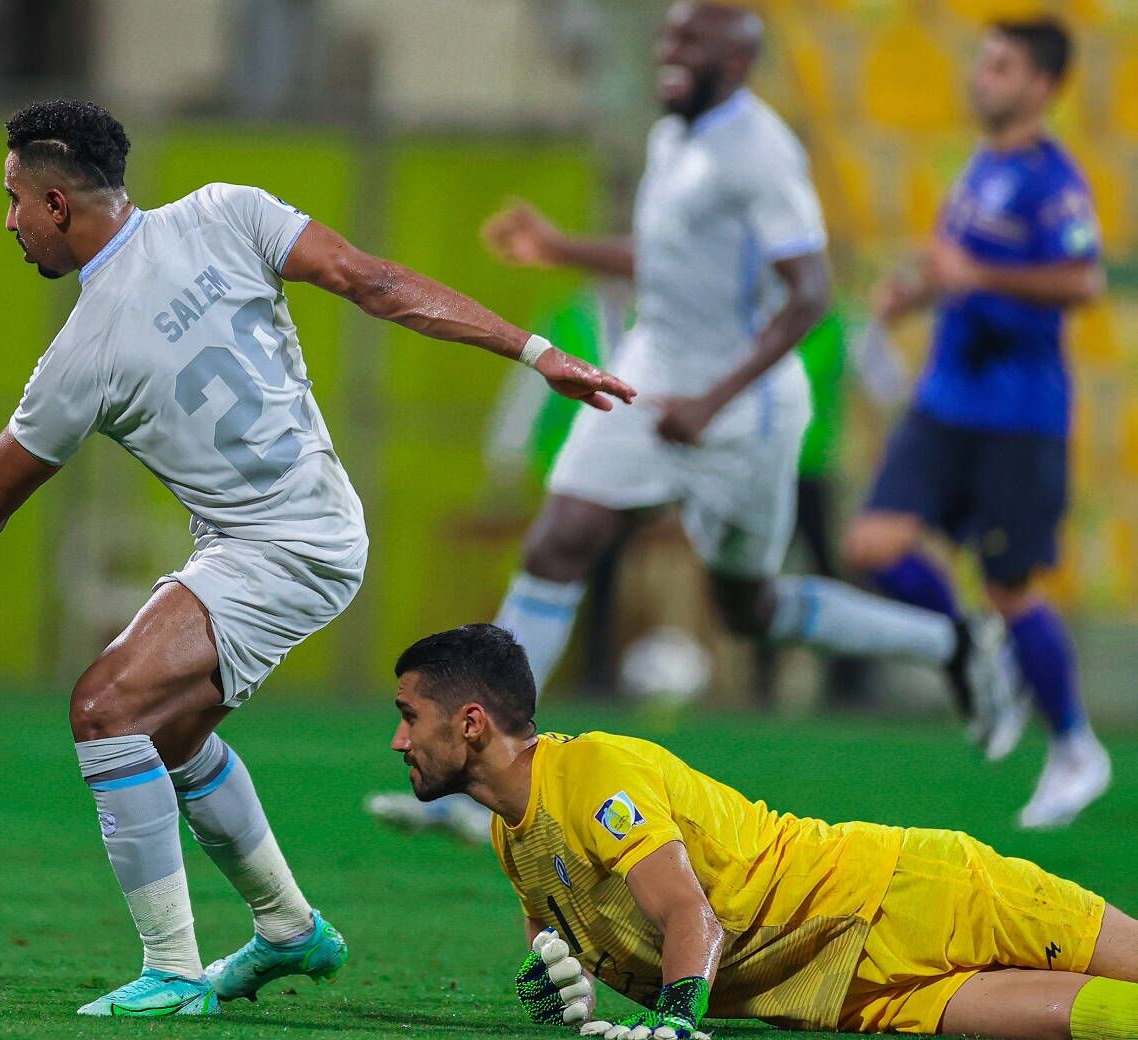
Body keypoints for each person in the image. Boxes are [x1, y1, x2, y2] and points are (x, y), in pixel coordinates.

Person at [0, 99, 634, 1018]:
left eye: (14, 200)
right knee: (168, 735)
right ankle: (290, 929)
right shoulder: (228, 210)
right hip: (304, 529)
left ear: (57, 205)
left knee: (105, 709)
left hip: (283, 545)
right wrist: (535, 352)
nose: (7, 221)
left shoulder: (80, 353)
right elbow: (374, 283)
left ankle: (172, 971)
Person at [367, 0, 1015, 843]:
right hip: (646, 381)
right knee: (556, 544)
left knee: (747, 607)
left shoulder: (761, 152)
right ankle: (473, 779)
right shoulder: (673, 135)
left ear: (737, 62)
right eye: (668, 39)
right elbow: (666, 256)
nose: (671, 55)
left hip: (740, 414)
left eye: (691, 44)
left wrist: (714, 401)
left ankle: (956, 643)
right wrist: (565, 250)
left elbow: (810, 292)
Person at [388, 624, 1138, 1040]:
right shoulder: (511, 834)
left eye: (409, 716)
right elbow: (559, 946)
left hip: (904, 890)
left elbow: (691, 914)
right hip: (845, 992)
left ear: (471, 722)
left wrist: (677, 1022)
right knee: (1107, 1022)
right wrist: (555, 991)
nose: (398, 740)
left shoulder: (592, 771)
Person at [844, 17, 1110, 829]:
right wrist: (913, 291)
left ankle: (1072, 745)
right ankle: (969, 650)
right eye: (983, 63)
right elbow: (952, 266)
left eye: (999, 66)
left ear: (1040, 85)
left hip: (1016, 417)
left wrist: (977, 272)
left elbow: (1083, 280)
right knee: (871, 548)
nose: (980, 77)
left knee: (1011, 587)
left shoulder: (1052, 180)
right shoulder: (980, 167)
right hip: (943, 401)